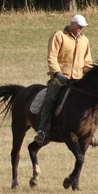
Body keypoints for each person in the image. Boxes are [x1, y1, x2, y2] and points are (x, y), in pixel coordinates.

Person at [34, 14, 93, 145]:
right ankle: (43, 131)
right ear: (72, 24)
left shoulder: (85, 40)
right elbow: (52, 57)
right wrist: (57, 73)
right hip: (60, 78)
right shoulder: (59, 36)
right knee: (50, 99)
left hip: (79, 79)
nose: (81, 29)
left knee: (92, 101)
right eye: (79, 26)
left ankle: (90, 132)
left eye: (82, 27)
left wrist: (90, 75)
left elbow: (87, 62)